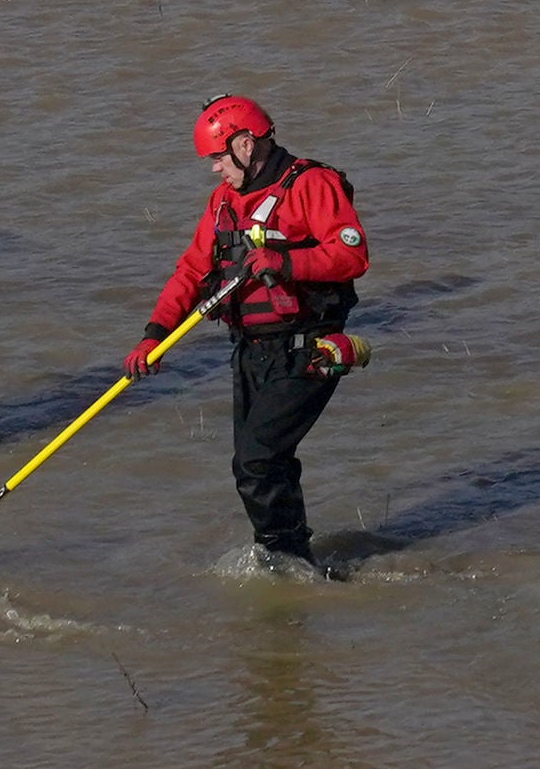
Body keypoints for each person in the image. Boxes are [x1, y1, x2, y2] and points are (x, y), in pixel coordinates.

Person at [126, 95, 371, 573]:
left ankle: (286, 563)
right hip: (250, 352)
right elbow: (190, 271)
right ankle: (296, 561)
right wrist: (153, 334)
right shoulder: (222, 204)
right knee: (256, 465)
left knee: (258, 461)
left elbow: (353, 256)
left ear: (245, 143)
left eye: (218, 158)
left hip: (308, 348)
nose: (215, 169)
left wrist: (287, 262)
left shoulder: (312, 184)